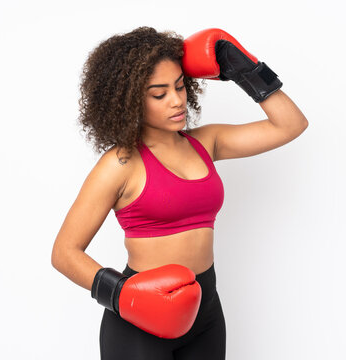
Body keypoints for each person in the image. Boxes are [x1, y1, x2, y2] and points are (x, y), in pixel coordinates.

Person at [51, 26, 308, 360]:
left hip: (207, 311)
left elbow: (290, 124)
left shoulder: (205, 142)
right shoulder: (120, 164)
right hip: (139, 321)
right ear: (130, 100)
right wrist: (123, 295)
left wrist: (246, 70)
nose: (176, 100)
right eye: (159, 94)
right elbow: (65, 252)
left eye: (179, 86)